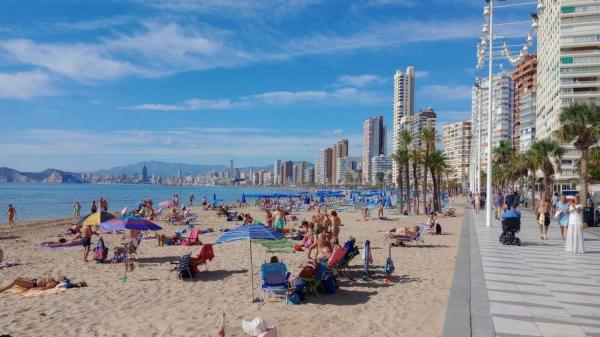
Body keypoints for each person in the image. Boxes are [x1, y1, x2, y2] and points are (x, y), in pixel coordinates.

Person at [0, 276, 87, 293]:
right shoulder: (55, 280)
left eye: (62, 277)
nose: (60, 276)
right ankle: (3, 288)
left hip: (32, 284)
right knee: (17, 278)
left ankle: (2, 290)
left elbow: (45, 289)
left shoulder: (54, 283)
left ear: (62, 281)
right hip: (32, 280)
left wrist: (32, 289)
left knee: (15, 281)